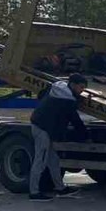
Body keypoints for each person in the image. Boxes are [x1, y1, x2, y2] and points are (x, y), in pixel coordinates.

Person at [28, 73, 89, 201]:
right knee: (41, 160)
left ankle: (60, 188)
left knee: (53, 160)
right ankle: (34, 192)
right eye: (81, 87)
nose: (82, 91)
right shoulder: (68, 100)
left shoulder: (56, 85)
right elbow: (75, 119)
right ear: (72, 85)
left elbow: (40, 95)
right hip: (43, 129)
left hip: (41, 124)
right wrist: (85, 135)